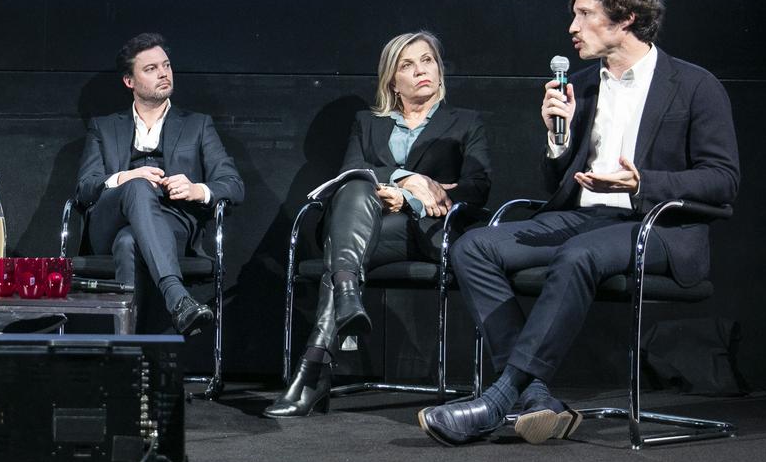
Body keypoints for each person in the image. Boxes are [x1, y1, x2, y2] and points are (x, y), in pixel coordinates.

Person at [421, 0, 740, 446]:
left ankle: (500, 398)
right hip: (583, 216)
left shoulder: (693, 85)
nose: (573, 26)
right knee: (473, 246)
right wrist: (557, 137)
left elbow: (723, 178)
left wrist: (642, 182)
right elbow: (558, 184)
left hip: (656, 225)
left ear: (626, 18)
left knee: (579, 255)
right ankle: (536, 397)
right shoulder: (583, 85)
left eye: (585, 14)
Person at [265, 32, 491, 418]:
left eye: (428, 60)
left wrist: (413, 198)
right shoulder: (367, 123)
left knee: (342, 249)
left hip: (425, 232)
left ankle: (314, 366)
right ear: (392, 81)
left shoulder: (466, 123)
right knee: (354, 183)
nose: (421, 70)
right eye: (407, 65)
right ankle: (337, 315)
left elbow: (477, 187)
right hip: (369, 229)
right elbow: (350, 174)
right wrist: (405, 176)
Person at [74, 33, 245, 336]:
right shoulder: (103, 127)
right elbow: (85, 189)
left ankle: (128, 357)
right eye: (151, 69)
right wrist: (124, 178)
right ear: (130, 81)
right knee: (137, 187)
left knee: (129, 242)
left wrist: (197, 189)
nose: (163, 73)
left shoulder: (197, 124)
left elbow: (233, 185)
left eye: (166, 65)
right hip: (109, 221)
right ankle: (177, 298)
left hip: (172, 225)